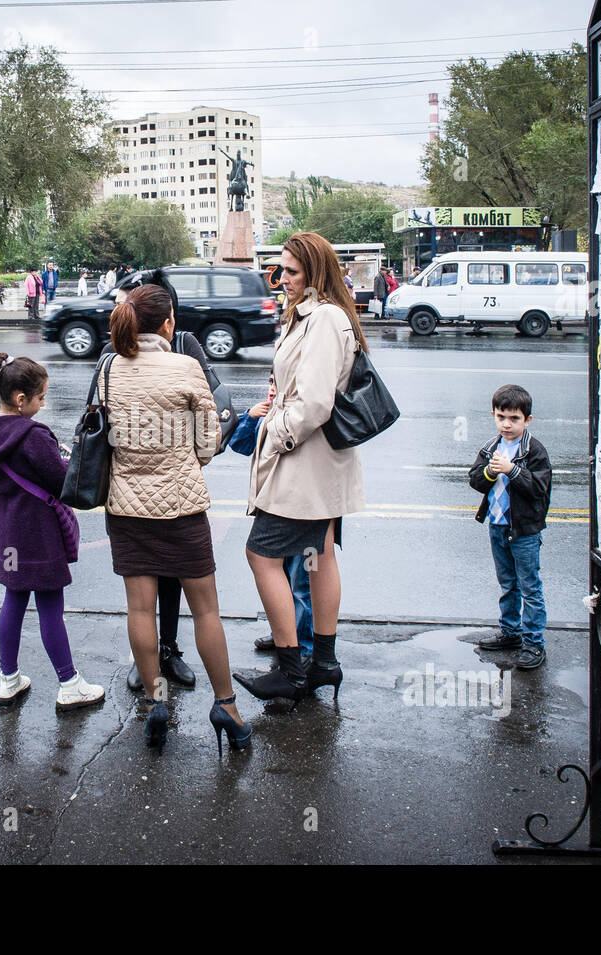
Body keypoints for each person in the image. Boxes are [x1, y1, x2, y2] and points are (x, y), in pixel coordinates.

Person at [101, 282, 250, 754]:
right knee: (205, 608)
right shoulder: (186, 366)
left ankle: (155, 700)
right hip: (182, 507)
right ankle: (225, 706)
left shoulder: (110, 369)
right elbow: (208, 446)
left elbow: (105, 435)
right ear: (167, 324)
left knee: (140, 608)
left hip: (127, 508)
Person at [235, 232, 367, 705]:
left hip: (304, 463)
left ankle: (292, 670)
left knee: (261, 554)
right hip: (317, 465)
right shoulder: (313, 315)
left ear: (315, 272)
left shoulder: (325, 318)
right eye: (280, 270)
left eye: (291, 271)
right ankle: (323, 664)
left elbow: (314, 403)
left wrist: (275, 434)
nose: (281, 279)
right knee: (321, 554)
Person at [0, 352, 106, 710]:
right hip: (38, 534)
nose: (44, 403)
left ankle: (9, 679)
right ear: (21, 400)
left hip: (7, 535)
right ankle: (69, 683)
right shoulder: (33, 435)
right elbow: (62, 480)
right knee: (51, 605)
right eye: (41, 397)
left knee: (13, 601)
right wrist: (68, 458)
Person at [99, 269, 203, 695]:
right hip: (166, 496)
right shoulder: (112, 360)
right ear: (165, 318)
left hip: (150, 496)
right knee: (160, 596)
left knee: (164, 587)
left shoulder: (187, 349)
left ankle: (166, 658)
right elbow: (101, 419)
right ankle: (153, 670)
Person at [468, 384, 553, 670]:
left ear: (527, 420)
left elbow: (538, 488)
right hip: (498, 525)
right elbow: (475, 480)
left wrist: (512, 470)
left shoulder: (534, 451)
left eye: (514, 418)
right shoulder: (491, 447)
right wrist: (490, 471)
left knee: (529, 587)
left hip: (524, 531)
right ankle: (511, 632)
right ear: (493, 415)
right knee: (508, 583)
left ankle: (533, 643)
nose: (506, 424)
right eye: (501, 416)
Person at [228, 380, 314, 659]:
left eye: (279, 383)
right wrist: (249, 417)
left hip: (300, 508)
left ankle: (302, 645)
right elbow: (240, 446)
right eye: (270, 382)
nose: (273, 389)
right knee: (279, 576)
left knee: (301, 581)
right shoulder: (266, 412)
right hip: (272, 507)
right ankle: (284, 635)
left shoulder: (299, 415)